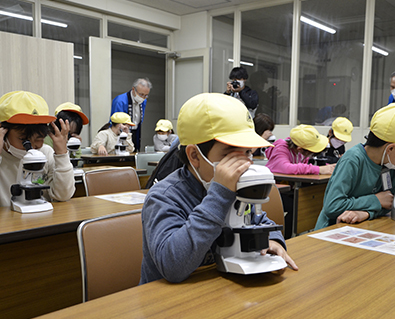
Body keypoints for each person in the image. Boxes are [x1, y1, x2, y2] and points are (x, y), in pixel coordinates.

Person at [140, 93, 298, 284]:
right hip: (168, 302)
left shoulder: (239, 190)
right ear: (194, 156)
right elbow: (172, 266)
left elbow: (259, 220)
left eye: (248, 153)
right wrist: (220, 194)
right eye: (231, 156)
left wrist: (272, 241)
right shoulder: (164, 197)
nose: (242, 165)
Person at [315, 103, 395, 230]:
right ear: (391, 148)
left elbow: (389, 204)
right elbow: (333, 206)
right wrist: (375, 201)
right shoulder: (352, 160)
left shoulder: (389, 165)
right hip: (331, 231)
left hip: (361, 229)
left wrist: (367, 213)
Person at [0, 91, 75, 207]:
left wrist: (62, 154)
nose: (32, 146)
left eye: (39, 139)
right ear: (3, 132)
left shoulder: (45, 153)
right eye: (24, 139)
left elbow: (63, 195)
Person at [265, 124, 335, 175]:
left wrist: (329, 167)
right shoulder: (281, 147)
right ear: (300, 149)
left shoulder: (300, 152)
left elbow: (305, 167)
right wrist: (319, 169)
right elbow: (286, 168)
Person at [111, 78, 152, 152]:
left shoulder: (143, 101)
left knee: (135, 151)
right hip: (120, 131)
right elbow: (116, 122)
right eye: (141, 94)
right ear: (133, 89)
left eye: (146, 95)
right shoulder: (120, 101)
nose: (143, 97)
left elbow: (140, 119)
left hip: (135, 131)